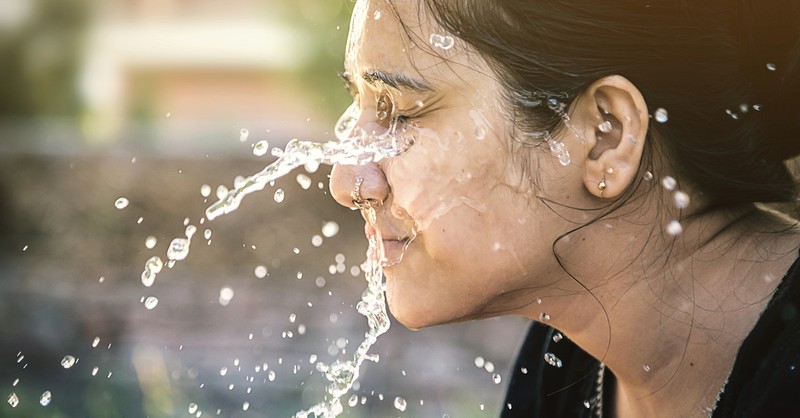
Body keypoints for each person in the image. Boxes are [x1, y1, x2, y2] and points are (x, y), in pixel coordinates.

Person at [328, 0, 800, 416]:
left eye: (404, 112)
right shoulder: (563, 366)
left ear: (604, 137)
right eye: (359, 108)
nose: (346, 183)